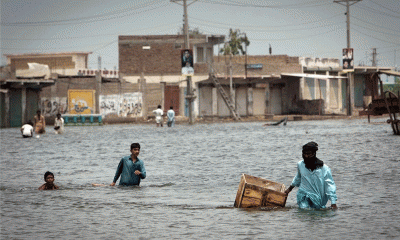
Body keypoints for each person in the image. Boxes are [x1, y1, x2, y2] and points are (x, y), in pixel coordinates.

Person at [285, 142, 337, 209]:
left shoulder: (324, 169)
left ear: (314, 154)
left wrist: (333, 202)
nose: (306, 156)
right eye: (305, 154)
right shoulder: (300, 165)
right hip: (303, 195)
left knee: (317, 213)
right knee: (304, 210)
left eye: (309, 154)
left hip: (317, 197)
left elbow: (330, 185)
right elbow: (298, 177)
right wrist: (288, 190)